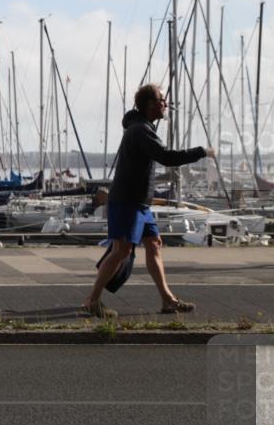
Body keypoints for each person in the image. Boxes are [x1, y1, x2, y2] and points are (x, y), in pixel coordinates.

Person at [82, 84, 215, 318]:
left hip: (139, 205)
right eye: (162, 100)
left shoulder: (143, 128)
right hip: (127, 202)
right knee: (120, 251)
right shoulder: (140, 131)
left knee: (153, 244)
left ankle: (168, 301)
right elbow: (166, 157)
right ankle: (92, 301)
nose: (166, 104)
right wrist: (201, 151)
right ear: (151, 104)